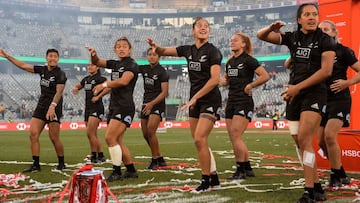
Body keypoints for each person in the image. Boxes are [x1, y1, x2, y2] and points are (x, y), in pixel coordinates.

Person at [257, 3, 336, 202]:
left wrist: (297, 87)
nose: (312, 17)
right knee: (300, 143)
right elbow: (261, 36)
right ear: (299, 19)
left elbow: (326, 71)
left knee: (304, 140)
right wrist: (270, 29)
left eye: (315, 14)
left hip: (314, 94)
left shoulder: (325, 40)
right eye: (307, 14)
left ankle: (309, 191)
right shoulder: (293, 37)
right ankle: (317, 185)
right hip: (293, 95)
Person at [146, 17, 222, 193]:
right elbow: (165, 51)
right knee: (199, 143)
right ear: (193, 31)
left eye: (206, 26)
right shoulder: (187, 50)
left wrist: (195, 97)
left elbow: (215, 80)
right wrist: (156, 47)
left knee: (199, 138)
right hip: (194, 99)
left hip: (209, 99)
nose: (203, 28)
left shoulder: (213, 52)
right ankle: (214, 178)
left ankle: (205, 181)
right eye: (199, 26)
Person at [0, 48, 67, 172]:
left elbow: (59, 92)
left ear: (58, 59)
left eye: (55, 56)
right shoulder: (42, 70)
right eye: (50, 56)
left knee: (54, 137)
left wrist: (52, 107)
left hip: (54, 107)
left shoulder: (60, 73)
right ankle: (36, 165)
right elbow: (23, 66)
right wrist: (7, 56)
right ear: (46, 58)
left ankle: (61, 163)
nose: (52, 58)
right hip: (41, 106)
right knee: (33, 134)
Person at [86, 37, 139, 182]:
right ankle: (131, 170)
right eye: (118, 46)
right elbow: (97, 62)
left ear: (130, 49)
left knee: (110, 137)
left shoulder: (132, 64)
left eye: (124, 46)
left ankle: (116, 172)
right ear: (115, 49)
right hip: (115, 106)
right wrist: (93, 54)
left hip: (125, 106)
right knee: (118, 140)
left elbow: (124, 81)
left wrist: (104, 85)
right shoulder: (115, 63)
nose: (121, 48)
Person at [219, 32, 269, 180]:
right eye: (231, 40)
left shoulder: (249, 60)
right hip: (231, 101)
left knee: (235, 134)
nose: (231, 42)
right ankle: (247, 168)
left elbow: (265, 76)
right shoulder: (229, 62)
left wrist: (251, 85)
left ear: (243, 44)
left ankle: (240, 169)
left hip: (244, 101)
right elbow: (226, 81)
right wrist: (219, 80)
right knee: (234, 136)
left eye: (235, 40)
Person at [317, 20, 360, 187]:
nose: (323, 32)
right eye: (320, 30)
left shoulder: (343, 51)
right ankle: (340, 171)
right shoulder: (317, 52)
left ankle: (335, 176)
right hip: (321, 99)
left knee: (329, 135)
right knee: (321, 141)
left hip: (339, 98)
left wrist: (347, 83)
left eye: (326, 29)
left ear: (334, 32)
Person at [72, 62, 110, 164]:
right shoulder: (86, 79)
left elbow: (109, 88)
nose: (89, 67)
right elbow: (78, 86)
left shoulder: (100, 79)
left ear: (97, 67)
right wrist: (75, 88)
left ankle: (94, 156)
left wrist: (98, 96)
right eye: (88, 65)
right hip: (88, 108)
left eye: (92, 65)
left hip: (97, 108)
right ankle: (101, 155)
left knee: (90, 133)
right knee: (93, 134)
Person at [139, 48, 169, 170]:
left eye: (154, 55)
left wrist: (152, 103)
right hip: (145, 103)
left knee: (151, 131)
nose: (152, 57)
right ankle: (159, 157)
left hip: (157, 104)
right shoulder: (144, 68)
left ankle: (155, 160)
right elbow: (130, 69)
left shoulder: (162, 72)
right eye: (150, 55)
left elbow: (165, 93)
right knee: (145, 134)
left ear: (159, 57)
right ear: (147, 56)